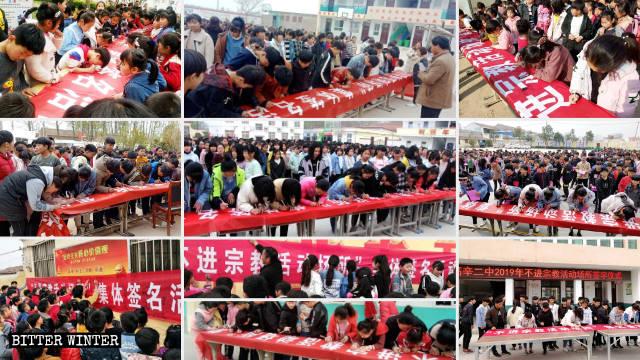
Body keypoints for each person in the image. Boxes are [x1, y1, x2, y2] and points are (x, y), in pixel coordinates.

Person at [583, 34, 640, 117]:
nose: (593, 71)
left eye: (597, 70)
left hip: (611, 121)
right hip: (597, 113)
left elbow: (628, 107)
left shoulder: (631, 79)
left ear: (608, 65)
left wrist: (615, 125)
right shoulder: (600, 62)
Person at [0, 23, 45, 96]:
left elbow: (19, 72)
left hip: (17, 98)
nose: (22, 58)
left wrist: (23, 87)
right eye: (22, 53)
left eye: (27, 56)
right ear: (11, 39)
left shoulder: (17, 55)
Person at [416, 36, 453, 118]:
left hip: (433, 99)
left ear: (438, 46)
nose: (431, 48)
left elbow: (429, 79)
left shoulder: (441, 60)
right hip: (438, 97)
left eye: (432, 45)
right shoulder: (448, 57)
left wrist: (421, 73)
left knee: (426, 119)